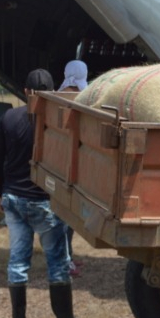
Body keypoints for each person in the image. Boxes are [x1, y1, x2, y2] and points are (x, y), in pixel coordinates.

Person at [0, 69, 92, 318]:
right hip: (45, 202)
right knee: (57, 262)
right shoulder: (57, 121)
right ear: (52, 92)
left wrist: (0, 193)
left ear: (25, 91)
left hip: (13, 199)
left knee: (17, 262)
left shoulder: (8, 118)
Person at [56, 59, 87, 277]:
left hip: (63, 162)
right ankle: (64, 262)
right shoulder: (79, 99)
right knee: (63, 218)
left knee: (68, 217)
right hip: (67, 165)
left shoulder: (55, 97)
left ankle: (69, 256)